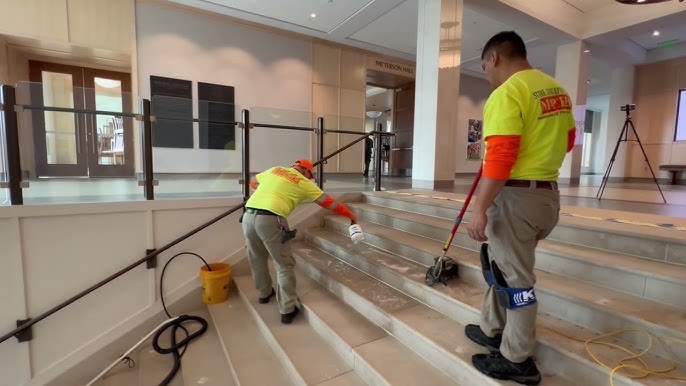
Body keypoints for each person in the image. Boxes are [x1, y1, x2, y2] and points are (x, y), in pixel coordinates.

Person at [464, 31, 576, 385]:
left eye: (484, 68)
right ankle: (492, 329)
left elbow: (500, 157)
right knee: (502, 267)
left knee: (517, 283)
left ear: (494, 57)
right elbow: (569, 141)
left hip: (515, 200)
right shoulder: (556, 91)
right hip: (546, 197)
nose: (487, 75)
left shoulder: (508, 93)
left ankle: (518, 360)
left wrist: (480, 208)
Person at [242, 159, 358, 324]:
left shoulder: (275, 169)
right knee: (284, 264)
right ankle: (287, 309)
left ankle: (264, 294)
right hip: (270, 219)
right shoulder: (304, 183)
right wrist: (350, 215)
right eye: (310, 175)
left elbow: (253, 181)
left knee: (256, 258)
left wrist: (272, 190)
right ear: (306, 171)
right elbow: (329, 203)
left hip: (248, 216)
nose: (310, 179)